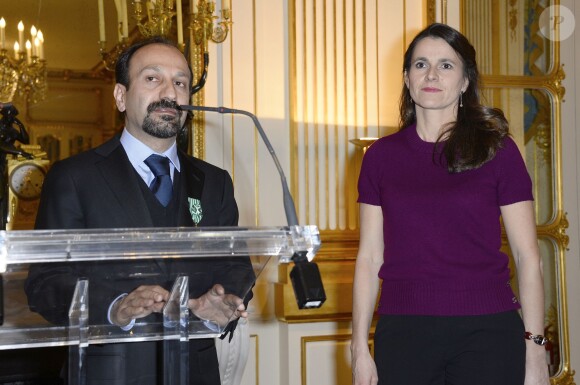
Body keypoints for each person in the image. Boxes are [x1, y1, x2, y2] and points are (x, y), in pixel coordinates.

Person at [25, 36, 254, 385]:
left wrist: (223, 303)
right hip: (107, 371)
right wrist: (116, 306)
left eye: (180, 82)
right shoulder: (74, 177)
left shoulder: (214, 181)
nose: (169, 92)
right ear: (120, 96)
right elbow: (45, 284)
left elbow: (236, 266)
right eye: (152, 78)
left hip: (196, 372)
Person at [350, 23, 549, 385]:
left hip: (488, 333)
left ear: (464, 82)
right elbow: (368, 258)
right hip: (403, 333)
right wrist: (359, 348)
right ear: (407, 79)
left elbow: (527, 256)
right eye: (420, 64)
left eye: (446, 65)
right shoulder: (379, 157)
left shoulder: (499, 151)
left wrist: (535, 351)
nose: (431, 74)